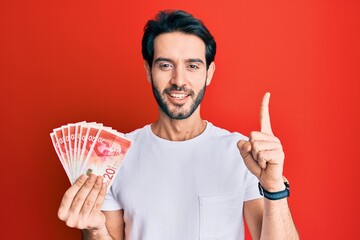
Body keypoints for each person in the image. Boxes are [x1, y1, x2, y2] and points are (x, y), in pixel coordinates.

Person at [57, 10, 299, 240]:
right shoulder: (116, 156)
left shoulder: (240, 154)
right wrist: (95, 230)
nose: (179, 81)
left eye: (192, 66)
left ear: (209, 73)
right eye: (165, 65)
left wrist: (274, 187)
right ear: (148, 71)